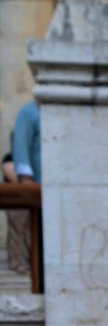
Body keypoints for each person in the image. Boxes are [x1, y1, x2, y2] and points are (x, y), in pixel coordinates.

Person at [8, 102, 41, 275]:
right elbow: (20, 146)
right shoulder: (29, 112)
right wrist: (26, 179)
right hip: (33, 186)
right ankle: (20, 263)